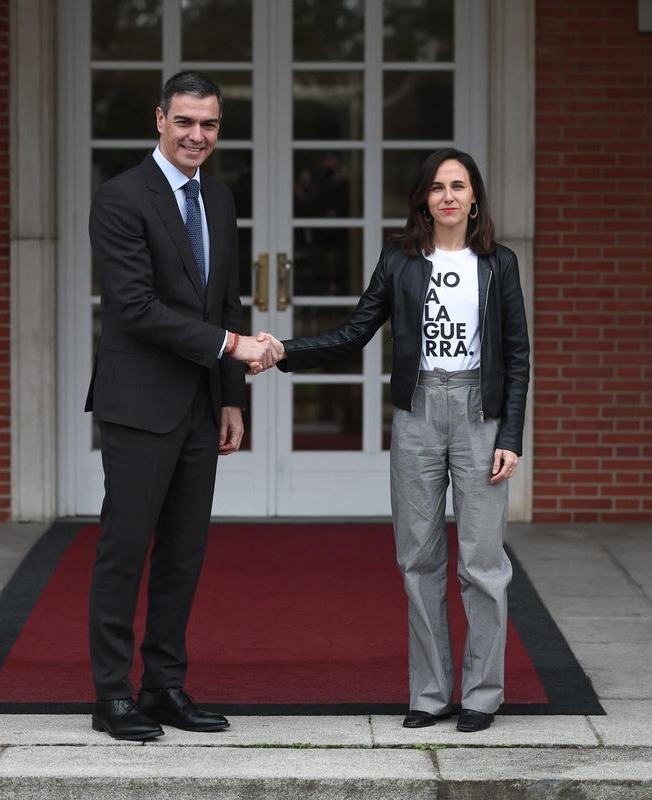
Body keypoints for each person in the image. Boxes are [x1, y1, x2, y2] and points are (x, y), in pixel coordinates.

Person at [256, 148, 529, 733]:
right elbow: (356, 333)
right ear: (424, 200)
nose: (449, 196)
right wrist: (285, 351)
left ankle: (482, 694)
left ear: (474, 197)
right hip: (418, 413)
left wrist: (512, 435)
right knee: (418, 559)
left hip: (480, 414)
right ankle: (430, 694)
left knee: (483, 562)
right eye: (437, 187)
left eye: (459, 186)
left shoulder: (499, 265)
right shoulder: (400, 262)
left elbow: (518, 355)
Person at [84, 71, 282, 742]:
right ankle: (112, 694)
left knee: (183, 554)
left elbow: (226, 298)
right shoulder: (119, 199)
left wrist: (232, 397)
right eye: (186, 121)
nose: (198, 135)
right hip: (139, 402)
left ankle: (164, 685)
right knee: (126, 549)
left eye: (210, 125)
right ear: (160, 121)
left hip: (201, 403)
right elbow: (136, 308)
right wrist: (233, 346)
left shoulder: (220, 199)